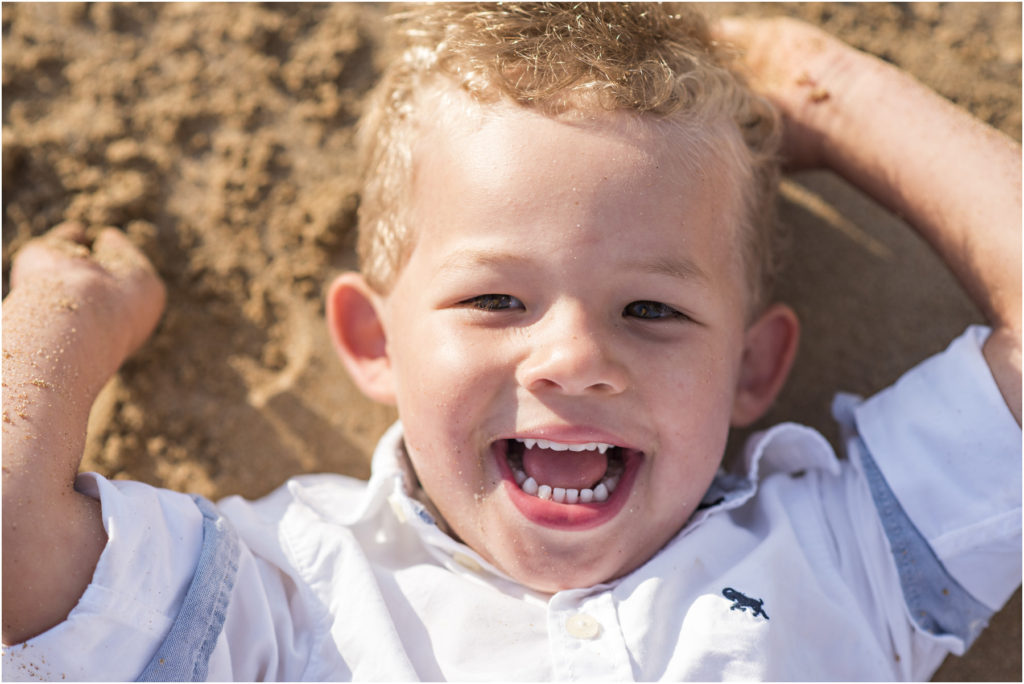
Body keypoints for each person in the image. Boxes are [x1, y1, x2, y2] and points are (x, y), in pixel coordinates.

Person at [2, 4, 1019, 680]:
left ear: (752, 366)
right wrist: (67, 318)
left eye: (652, 311)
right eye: (496, 300)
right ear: (373, 340)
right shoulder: (293, 583)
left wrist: (819, 86)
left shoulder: (837, 558)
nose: (574, 358)